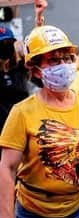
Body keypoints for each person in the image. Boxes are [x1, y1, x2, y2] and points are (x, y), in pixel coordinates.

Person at [0, 25, 79, 218]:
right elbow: (7, 167)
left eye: (67, 58)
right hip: (34, 213)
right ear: (36, 69)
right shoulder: (21, 112)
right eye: (54, 60)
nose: (63, 65)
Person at [0, 25, 29, 160]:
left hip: (23, 134)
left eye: (8, 43)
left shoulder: (20, 69)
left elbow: (41, 78)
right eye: (1, 44)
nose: (5, 47)